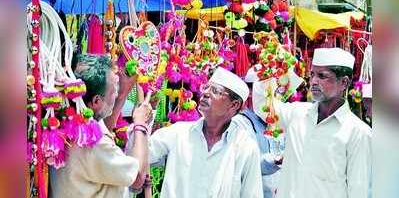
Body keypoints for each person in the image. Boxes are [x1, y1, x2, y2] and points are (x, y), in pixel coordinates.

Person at [253, 48, 372, 198]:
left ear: (344, 83)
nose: (314, 81)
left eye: (322, 76)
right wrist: (276, 74)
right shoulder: (297, 113)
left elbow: (358, 190)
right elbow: (262, 105)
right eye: (312, 74)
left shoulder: (358, 132)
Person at [147, 67, 263, 198]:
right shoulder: (178, 133)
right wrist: (144, 118)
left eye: (215, 91)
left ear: (234, 105)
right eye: (206, 88)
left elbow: (252, 194)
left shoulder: (245, 147)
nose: (206, 93)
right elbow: (142, 155)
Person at [50, 53, 153, 198]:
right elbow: (138, 178)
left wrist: (123, 94)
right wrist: (141, 124)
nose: (116, 93)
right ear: (96, 101)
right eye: (114, 90)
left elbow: (104, 128)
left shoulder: (72, 122)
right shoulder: (94, 144)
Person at [232, 65, 283, 198]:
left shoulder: (279, 120)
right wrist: (277, 160)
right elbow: (246, 166)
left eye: (275, 91)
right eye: (266, 92)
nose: (273, 98)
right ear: (250, 93)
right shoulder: (239, 123)